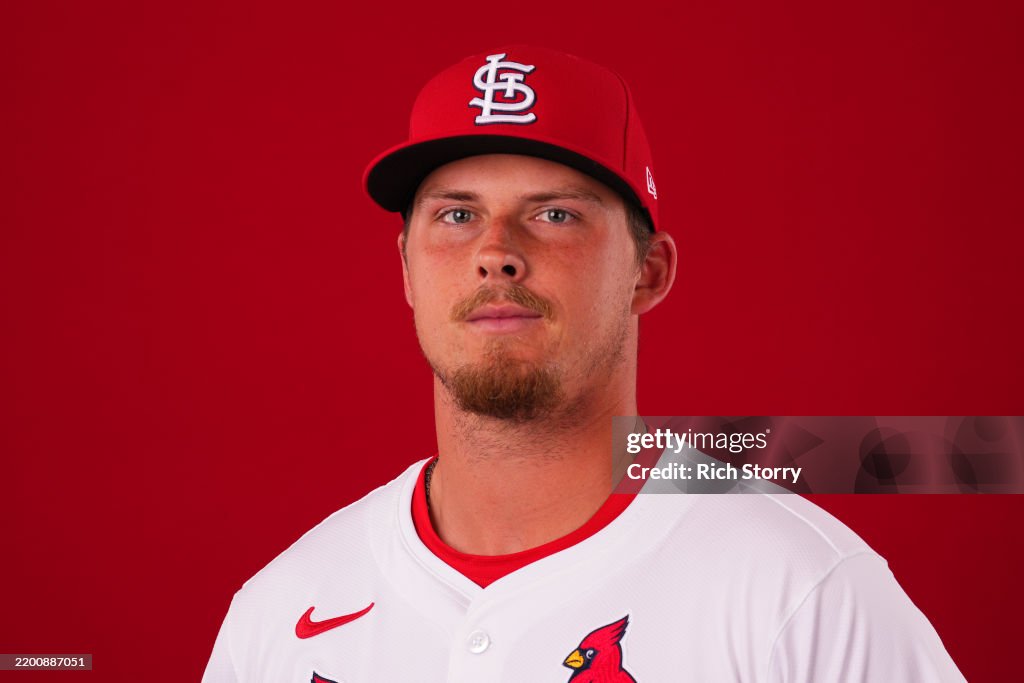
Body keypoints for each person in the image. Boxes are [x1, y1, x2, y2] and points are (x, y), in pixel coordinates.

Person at [202, 45, 964, 682]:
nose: (496, 253)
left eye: (554, 213)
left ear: (648, 272)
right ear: (406, 269)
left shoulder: (800, 591)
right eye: (457, 214)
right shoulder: (280, 610)